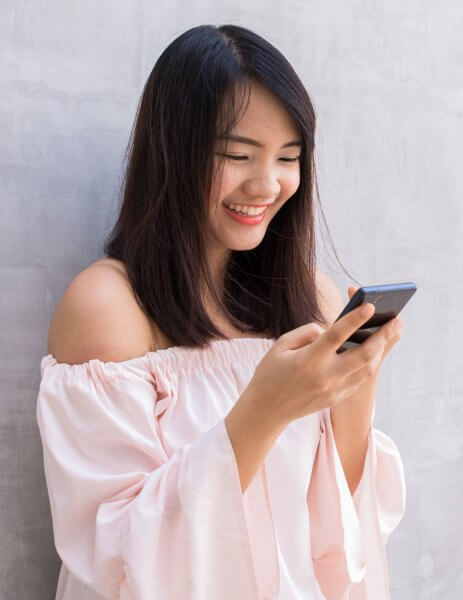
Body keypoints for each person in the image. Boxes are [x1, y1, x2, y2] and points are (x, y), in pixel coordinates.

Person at [36, 24, 405, 600]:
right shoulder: (110, 307)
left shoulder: (310, 296)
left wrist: (357, 386)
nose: (267, 184)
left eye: (289, 157)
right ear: (172, 152)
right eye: (237, 155)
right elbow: (119, 561)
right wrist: (264, 408)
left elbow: (338, 539)